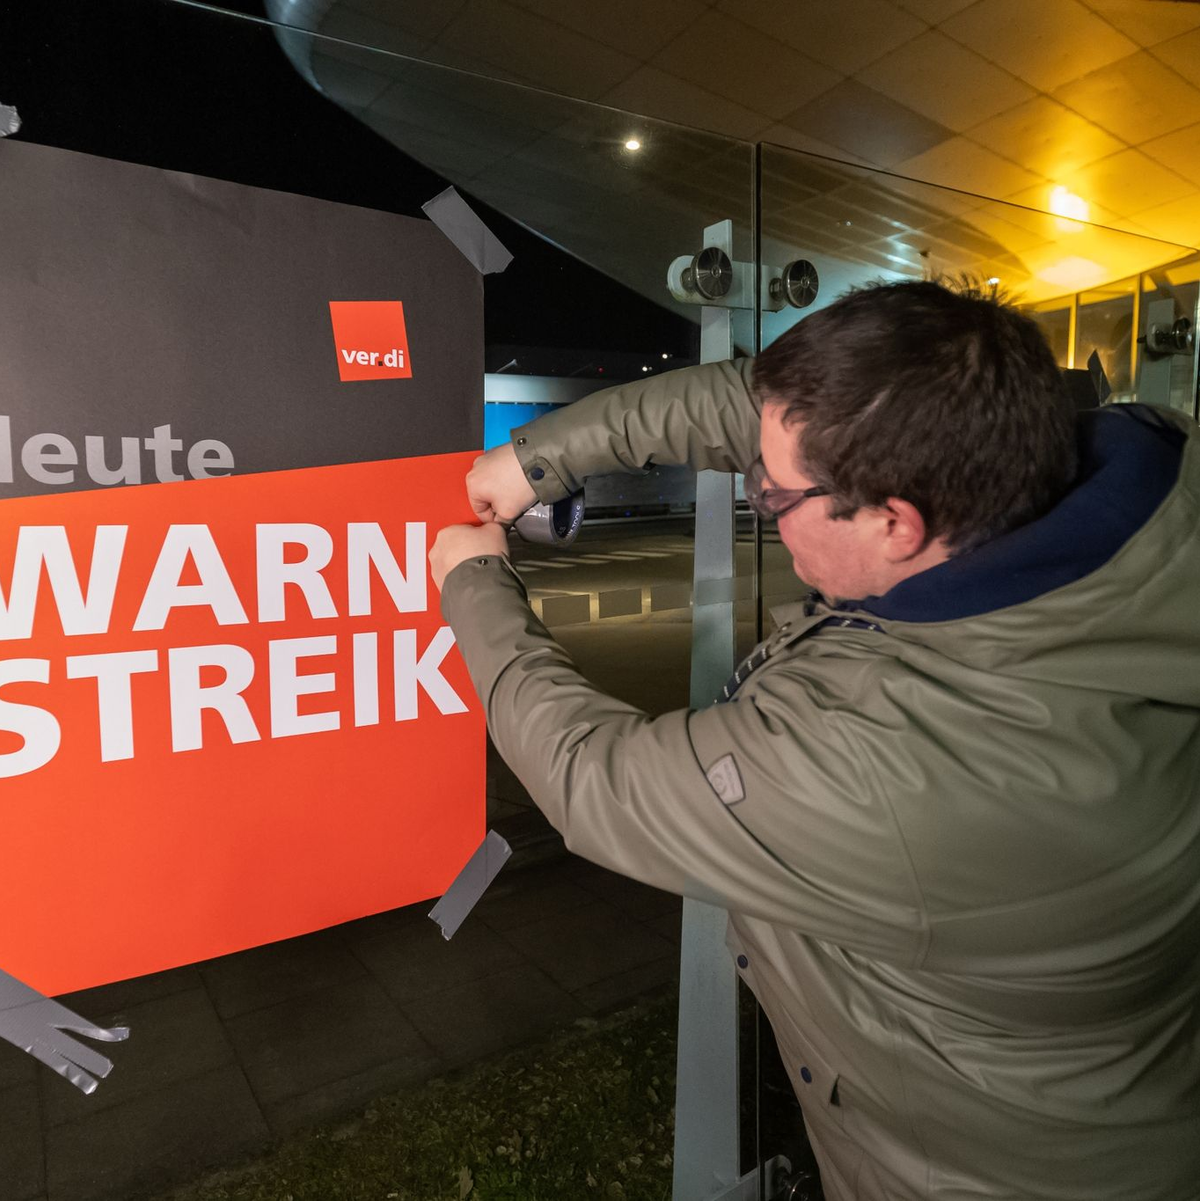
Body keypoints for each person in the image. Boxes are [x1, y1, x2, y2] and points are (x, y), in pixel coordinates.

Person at [428, 280, 1200, 1200]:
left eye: (773, 495)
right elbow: (774, 416)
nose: (756, 495)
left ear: (894, 521)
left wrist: (474, 582)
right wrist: (541, 458)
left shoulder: (887, 764)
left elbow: (595, 783)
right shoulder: (1135, 475)